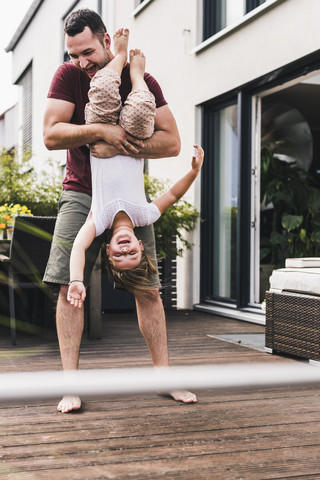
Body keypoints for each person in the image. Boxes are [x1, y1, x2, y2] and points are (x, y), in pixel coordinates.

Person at [43, 8, 197, 413]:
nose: (81, 61)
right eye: (73, 54)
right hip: (81, 193)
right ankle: (70, 386)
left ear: (107, 41)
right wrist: (101, 131)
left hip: (129, 198)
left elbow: (172, 143)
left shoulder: (142, 81)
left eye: (88, 51)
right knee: (67, 286)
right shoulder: (67, 76)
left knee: (147, 289)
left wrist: (121, 144)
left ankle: (164, 378)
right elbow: (51, 134)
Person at [66, 27, 204, 308]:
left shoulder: (99, 220)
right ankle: (136, 76)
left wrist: (76, 280)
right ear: (142, 246)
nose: (126, 250)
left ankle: (119, 56)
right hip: (133, 134)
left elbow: (79, 246)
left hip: (101, 129)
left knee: (102, 88)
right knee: (142, 108)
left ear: (108, 249)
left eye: (119, 255)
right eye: (132, 255)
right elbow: (173, 195)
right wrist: (193, 171)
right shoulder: (144, 216)